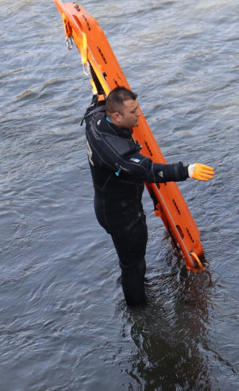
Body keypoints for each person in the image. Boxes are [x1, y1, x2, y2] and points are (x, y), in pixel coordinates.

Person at [83, 87, 215, 306]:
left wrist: (97, 86)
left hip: (107, 204)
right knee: (133, 266)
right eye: (133, 111)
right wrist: (187, 170)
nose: (139, 115)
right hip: (123, 217)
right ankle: (139, 311)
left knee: (131, 261)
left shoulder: (94, 119)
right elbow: (149, 171)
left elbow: (96, 103)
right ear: (116, 116)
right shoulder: (118, 155)